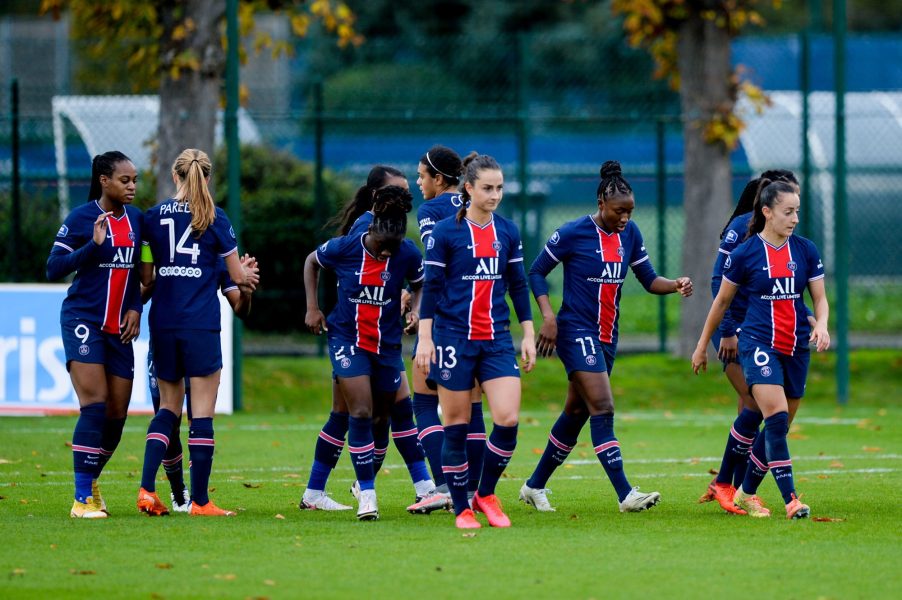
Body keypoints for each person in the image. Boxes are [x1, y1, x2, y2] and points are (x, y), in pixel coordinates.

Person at [519, 160, 693, 514]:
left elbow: (648, 279)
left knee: (576, 411)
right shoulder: (572, 233)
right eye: (619, 211)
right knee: (603, 406)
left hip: (606, 337)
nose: (625, 218)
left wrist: (674, 284)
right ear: (601, 203)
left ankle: (534, 486)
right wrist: (548, 317)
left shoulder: (630, 234)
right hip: (575, 330)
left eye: (629, 211)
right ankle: (625, 494)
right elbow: (536, 272)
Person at [692, 179, 830, 519]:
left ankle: (745, 491)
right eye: (788, 212)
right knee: (777, 418)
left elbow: (820, 298)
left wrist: (822, 324)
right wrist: (701, 346)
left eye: (797, 211)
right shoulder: (745, 253)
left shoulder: (806, 250)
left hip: (796, 345)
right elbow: (721, 301)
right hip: (758, 344)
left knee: (777, 425)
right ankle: (791, 500)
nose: (794, 218)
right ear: (767, 212)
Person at [301, 172, 435, 512]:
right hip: (348, 339)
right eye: (400, 189)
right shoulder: (353, 241)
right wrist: (313, 308)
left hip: (386, 344)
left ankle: (319, 491)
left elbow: (420, 284)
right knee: (361, 411)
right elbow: (312, 262)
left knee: (375, 416)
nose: (386, 255)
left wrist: (415, 311)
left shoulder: (404, 250)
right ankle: (370, 494)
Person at [416, 152, 536, 529]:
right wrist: (424, 337)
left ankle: (484, 493)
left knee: (508, 418)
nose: (495, 195)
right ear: (468, 188)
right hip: (453, 339)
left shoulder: (508, 232)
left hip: (497, 339)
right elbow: (432, 288)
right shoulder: (444, 234)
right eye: (487, 188)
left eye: (500, 188)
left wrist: (528, 331)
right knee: (457, 424)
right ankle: (460, 508)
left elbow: (517, 285)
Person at [137, 148, 254, 517]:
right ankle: (200, 502)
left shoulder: (151, 218)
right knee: (201, 413)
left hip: (164, 321)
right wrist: (247, 277)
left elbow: (146, 278)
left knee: (168, 409)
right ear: (207, 178)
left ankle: (145, 488)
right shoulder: (217, 219)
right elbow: (237, 278)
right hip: (200, 323)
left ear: (175, 176)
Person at [47, 151, 143, 518]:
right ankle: (81, 499)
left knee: (117, 415)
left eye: (135, 180)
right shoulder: (82, 218)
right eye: (125, 180)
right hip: (82, 319)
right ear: (104, 181)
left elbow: (135, 273)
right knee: (96, 405)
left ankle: (90, 480)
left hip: (119, 327)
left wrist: (135, 307)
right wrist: (93, 247)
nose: (132, 186)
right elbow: (53, 268)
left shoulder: (136, 220)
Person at [407, 145, 486, 515]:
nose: (417, 182)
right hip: (479, 317)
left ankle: (442, 485)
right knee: (472, 406)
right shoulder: (478, 204)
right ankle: (476, 490)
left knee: (424, 401)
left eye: (422, 175)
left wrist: (417, 303)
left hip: (443, 318)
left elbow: (434, 267)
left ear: (439, 179)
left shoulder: (431, 210)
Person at [144, 257, 257, 512]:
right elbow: (144, 286)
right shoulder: (163, 235)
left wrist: (246, 290)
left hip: (191, 338)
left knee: (195, 419)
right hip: (170, 338)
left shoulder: (215, 248)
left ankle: (196, 498)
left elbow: (239, 306)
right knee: (169, 422)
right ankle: (179, 493)